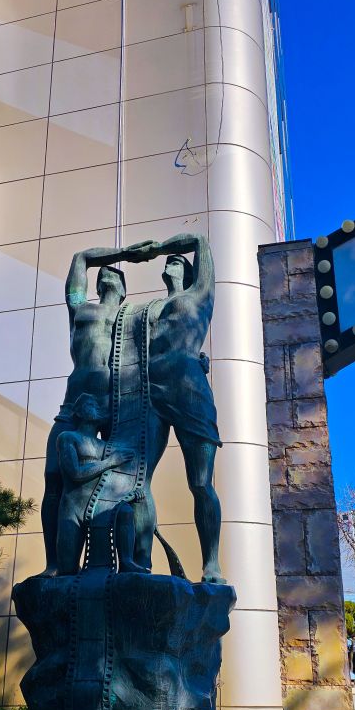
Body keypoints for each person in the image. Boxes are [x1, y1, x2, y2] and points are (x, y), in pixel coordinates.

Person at [40, 242, 155, 575]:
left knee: (136, 482)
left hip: (117, 410)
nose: (107, 273)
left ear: (123, 290)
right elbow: (80, 258)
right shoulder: (81, 311)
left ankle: (137, 561)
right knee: (53, 478)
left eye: (115, 273)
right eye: (104, 271)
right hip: (72, 405)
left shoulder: (132, 317)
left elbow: (165, 343)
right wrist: (125, 254)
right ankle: (56, 564)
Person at [132, 233, 224, 583]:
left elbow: (199, 240)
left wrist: (157, 248)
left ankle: (211, 563)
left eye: (177, 260)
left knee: (200, 482)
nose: (171, 262)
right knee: (137, 479)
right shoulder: (152, 308)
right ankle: (139, 561)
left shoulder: (199, 296)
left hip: (190, 393)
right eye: (168, 261)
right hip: (151, 393)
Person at [56, 394, 148, 576]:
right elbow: (75, 473)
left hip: (101, 507)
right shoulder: (68, 438)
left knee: (125, 512)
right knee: (67, 570)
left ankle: (127, 561)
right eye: (91, 404)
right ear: (78, 412)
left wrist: (133, 492)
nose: (96, 407)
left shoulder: (107, 446)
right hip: (72, 509)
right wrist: (110, 462)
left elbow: (117, 480)